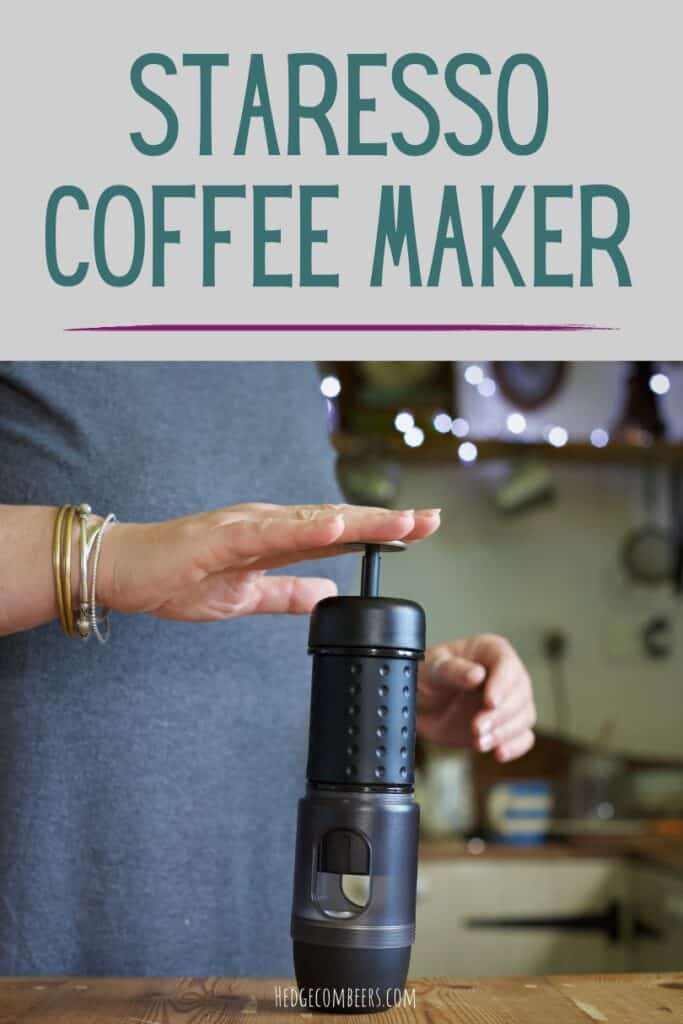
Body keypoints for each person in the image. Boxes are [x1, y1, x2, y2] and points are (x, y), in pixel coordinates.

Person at [0, 362, 536, 975]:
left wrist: (394, 702)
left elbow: (262, 624)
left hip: (262, 949)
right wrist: (101, 558)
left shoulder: (284, 362)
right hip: (51, 950)